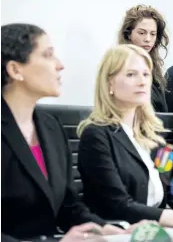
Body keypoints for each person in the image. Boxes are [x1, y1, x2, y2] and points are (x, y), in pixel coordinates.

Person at [1, 23, 146, 241]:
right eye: (48, 55)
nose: (60, 65)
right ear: (15, 70)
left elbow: (69, 206)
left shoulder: (51, 128)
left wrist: (103, 228)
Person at [77, 44, 173, 227]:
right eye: (131, 74)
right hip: (120, 233)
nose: (142, 82)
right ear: (109, 83)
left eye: (146, 74)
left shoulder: (152, 135)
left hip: (157, 231)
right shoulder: (96, 135)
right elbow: (118, 205)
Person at [118, 4, 169, 112]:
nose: (147, 39)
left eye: (153, 34)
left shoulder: (154, 70)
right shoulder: (120, 67)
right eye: (142, 33)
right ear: (128, 34)